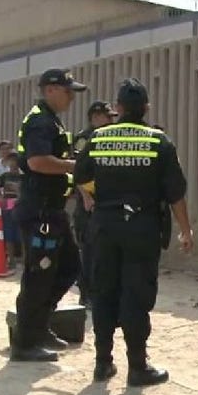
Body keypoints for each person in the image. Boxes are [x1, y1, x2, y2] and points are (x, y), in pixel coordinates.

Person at [75, 77, 193, 386]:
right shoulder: (158, 142)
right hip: (142, 227)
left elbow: (81, 176)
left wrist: (98, 196)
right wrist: (185, 230)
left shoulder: (98, 139)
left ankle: (103, 364)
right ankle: (138, 367)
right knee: (136, 294)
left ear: (117, 108)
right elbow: (175, 193)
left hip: (104, 226)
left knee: (103, 291)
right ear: (146, 108)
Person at [11, 67, 86, 362]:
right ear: (51, 90)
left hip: (52, 210)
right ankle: (25, 342)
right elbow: (39, 162)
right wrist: (75, 166)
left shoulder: (51, 121)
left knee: (68, 267)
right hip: (40, 210)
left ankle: (39, 325)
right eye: (68, 91)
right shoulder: (41, 122)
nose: (71, 97)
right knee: (39, 274)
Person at [72, 101, 117, 307]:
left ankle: (101, 293)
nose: (110, 121)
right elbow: (77, 171)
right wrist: (86, 196)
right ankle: (86, 293)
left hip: (106, 200)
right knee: (88, 249)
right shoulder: (84, 138)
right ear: (96, 117)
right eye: (108, 117)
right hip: (88, 202)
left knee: (104, 249)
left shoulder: (108, 137)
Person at [0, 152, 22, 267]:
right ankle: (11, 260)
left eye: (15, 161)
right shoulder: (5, 176)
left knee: (20, 233)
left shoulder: (23, 177)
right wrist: (1, 197)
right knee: (8, 233)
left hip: (19, 208)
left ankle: (24, 259)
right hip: (7, 209)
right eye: (11, 161)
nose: (13, 163)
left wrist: (20, 195)